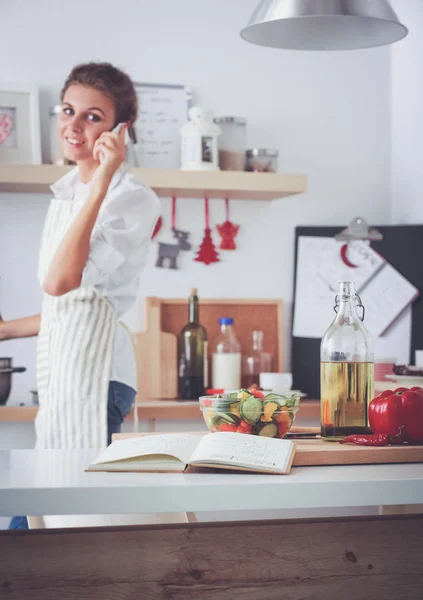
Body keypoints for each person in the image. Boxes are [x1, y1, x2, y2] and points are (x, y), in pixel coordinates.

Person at [0, 62, 161, 529]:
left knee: (66, 518)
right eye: (68, 110)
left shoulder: (131, 198)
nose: (73, 126)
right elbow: (69, 305)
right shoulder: (69, 190)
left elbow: (59, 283)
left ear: (120, 129)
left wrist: (105, 176)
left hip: (99, 376)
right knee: (40, 516)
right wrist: (7, 331)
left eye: (92, 116)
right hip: (65, 368)